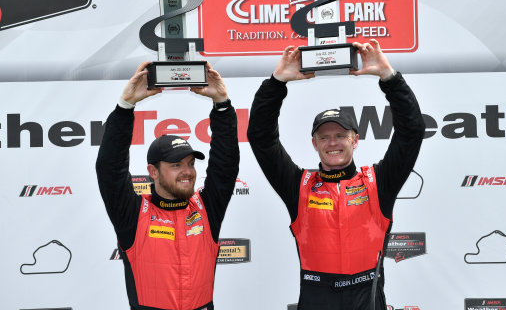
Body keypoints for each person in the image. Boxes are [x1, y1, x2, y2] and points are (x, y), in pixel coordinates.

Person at [247, 39, 425, 310]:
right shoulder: (298, 186)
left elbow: (411, 132)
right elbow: (260, 138)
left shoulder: (379, 182)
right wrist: (276, 83)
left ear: (355, 140)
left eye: (341, 135)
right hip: (317, 297)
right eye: (324, 137)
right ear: (314, 143)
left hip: (367, 297)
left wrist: (389, 78)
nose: (333, 143)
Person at [96, 61, 239, 310]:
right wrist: (125, 107)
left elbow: (225, 165)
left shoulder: (206, 209)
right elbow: (110, 169)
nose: (187, 172)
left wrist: (222, 104)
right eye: (175, 165)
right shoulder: (133, 215)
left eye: (190, 163)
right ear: (153, 172)